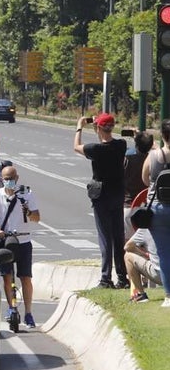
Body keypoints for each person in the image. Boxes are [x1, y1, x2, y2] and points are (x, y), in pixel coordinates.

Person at [74, 112, 128, 289]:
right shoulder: (121, 145)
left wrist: (79, 126)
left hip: (101, 196)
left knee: (105, 238)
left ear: (98, 128)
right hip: (117, 195)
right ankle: (122, 277)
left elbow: (76, 146)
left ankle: (106, 278)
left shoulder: (95, 149)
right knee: (118, 237)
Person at [0, 164, 42, 327]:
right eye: (6, 179)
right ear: (2, 179)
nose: (9, 182)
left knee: (25, 277)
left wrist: (28, 212)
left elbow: (37, 217)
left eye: (12, 179)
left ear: (17, 178)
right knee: (7, 276)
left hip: (23, 241)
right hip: (5, 241)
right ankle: (11, 307)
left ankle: (29, 313)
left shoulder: (27, 194)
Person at [142, 119, 170, 306]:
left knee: (163, 252)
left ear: (163, 136)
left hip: (158, 208)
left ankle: (168, 296)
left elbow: (145, 179)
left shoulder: (153, 156)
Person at [125, 131, 155, 235]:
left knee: (127, 245)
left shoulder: (127, 158)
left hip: (128, 205)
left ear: (136, 144)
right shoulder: (153, 161)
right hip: (146, 207)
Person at [123, 227, 161, 303]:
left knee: (128, 256)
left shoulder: (145, 229)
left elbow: (127, 247)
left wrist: (144, 254)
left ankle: (141, 295)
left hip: (160, 274)